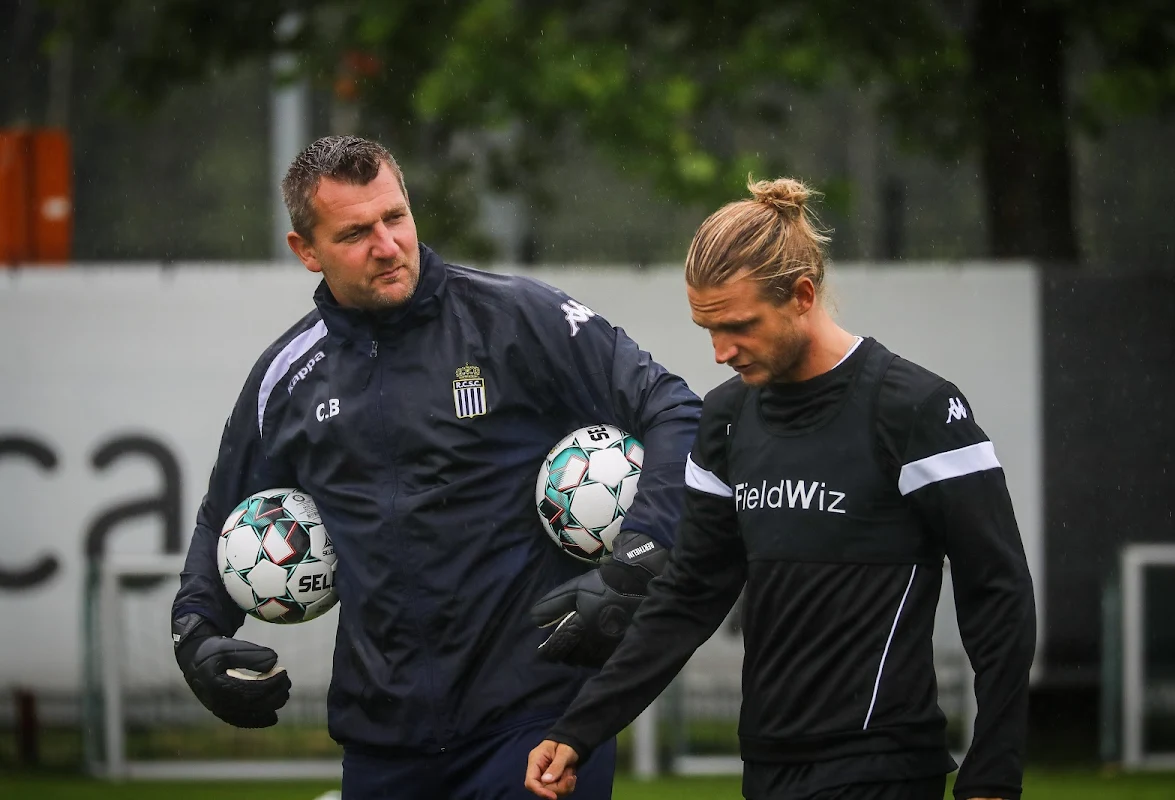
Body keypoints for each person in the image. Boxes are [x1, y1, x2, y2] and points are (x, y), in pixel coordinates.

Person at [169, 135, 701, 799]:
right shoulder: (287, 378)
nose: (388, 245)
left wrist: (637, 559)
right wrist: (196, 632)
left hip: (536, 720)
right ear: (306, 251)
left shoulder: (516, 320)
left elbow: (677, 412)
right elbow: (225, 515)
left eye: (396, 217)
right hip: (383, 741)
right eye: (357, 232)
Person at [526, 178, 1037, 800]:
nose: (719, 352)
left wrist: (995, 767)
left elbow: (998, 591)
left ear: (801, 295)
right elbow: (688, 595)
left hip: (885, 768)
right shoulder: (726, 419)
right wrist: (581, 728)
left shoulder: (916, 410)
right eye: (706, 328)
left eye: (738, 326)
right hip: (766, 767)